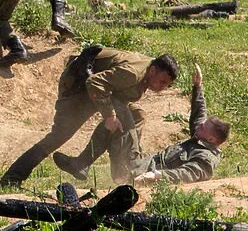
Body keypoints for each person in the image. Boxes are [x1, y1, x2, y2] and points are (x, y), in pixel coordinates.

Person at [0, 47, 178, 189]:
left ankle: (91, 165)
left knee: (136, 115)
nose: (162, 87)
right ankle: (11, 178)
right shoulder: (133, 73)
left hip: (98, 89)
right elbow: (95, 82)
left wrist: (113, 116)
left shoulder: (147, 70)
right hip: (77, 86)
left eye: (166, 85)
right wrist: (109, 115)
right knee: (58, 137)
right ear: (153, 70)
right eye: (162, 81)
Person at [57, 65, 230, 186]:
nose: (198, 126)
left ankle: (81, 163)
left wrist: (156, 176)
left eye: (203, 127)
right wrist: (198, 86)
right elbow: (199, 116)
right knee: (119, 120)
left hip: (134, 171)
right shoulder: (202, 139)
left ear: (211, 138)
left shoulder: (206, 159)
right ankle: (82, 164)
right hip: (138, 164)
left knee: (120, 110)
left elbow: (188, 174)